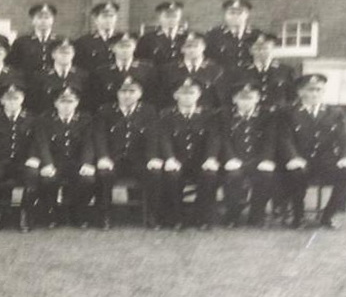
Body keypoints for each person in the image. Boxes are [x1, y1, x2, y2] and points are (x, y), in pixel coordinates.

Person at [278, 74, 346, 229]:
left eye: (319, 90)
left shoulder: (334, 112)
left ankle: (330, 214)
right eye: (310, 90)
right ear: (300, 92)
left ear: (323, 91)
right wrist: (293, 157)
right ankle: (298, 215)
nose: (315, 94)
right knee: (295, 174)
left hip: (325, 161)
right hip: (300, 160)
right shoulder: (288, 112)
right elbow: (285, 139)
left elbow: (345, 138)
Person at [93, 76, 162, 229]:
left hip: (139, 159)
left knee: (154, 173)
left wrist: (152, 158)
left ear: (140, 93)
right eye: (123, 91)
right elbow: (100, 136)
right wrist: (103, 157)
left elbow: (152, 136)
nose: (127, 95)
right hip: (113, 159)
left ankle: (151, 215)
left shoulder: (148, 111)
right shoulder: (106, 110)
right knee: (103, 174)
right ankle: (104, 216)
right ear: (117, 93)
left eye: (132, 91)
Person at [0, 83, 41, 233]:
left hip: (23, 162)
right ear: (1, 100)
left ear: (22, 99)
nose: (12, 102)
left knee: (32, 174)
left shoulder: (32, 118)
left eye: (16, 98)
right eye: (8, 99)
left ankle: (25, 213)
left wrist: (33, 157)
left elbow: (37, 141)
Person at [157, 78, 221, 230]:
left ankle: (202, 217)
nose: (187, 97)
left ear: (199, 95)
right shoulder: (167, 116)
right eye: (183, 93)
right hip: (177, 160)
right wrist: (169, 158)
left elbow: (214, 139)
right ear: (175, 96)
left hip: (200, 161)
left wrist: (211, 158)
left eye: (192, 93)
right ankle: (176, 217)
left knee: (210, 175)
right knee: (172, 176)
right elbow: (164, 139)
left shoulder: (208, 115)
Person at [35, 86, 97, 228]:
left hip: (77, 162)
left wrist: (86, 163)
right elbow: (42, 144)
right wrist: (47, 164)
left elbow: (88, 143)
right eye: (62, 102)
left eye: (70, 101)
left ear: (77, 103)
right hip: (55, 162)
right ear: (55, 103)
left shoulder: (86, 119)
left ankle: (78, 212)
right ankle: (51, 213)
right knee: (47, 179)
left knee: (88, 179)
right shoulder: (45, 120)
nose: (66, 105)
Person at [219, 82, 277, 228]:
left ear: (257, 99)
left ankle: (257, 214)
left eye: (250, 98)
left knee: (266, 175)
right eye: (242, 98)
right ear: (234, 99)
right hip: (234, 159)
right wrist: (230, 158)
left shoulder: (266, 116)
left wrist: (266, 159)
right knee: (233, 176)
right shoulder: (225, 116)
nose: (246, 102)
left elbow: (270, 139)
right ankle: (232, 215)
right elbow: (224, 140)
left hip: (257, 159)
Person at [158, 32, 226, 109]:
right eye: (188, 46)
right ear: (182, 49)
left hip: (208, 114)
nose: (192, 50)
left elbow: (220, 99)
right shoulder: (169, 70)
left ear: (204, 47)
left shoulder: (215, 70)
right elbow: (165, 99)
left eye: (196, 46)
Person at [91, 32, 157, 109]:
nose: (125, 50)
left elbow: (152, 96)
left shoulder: (146, 69)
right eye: (121, 46)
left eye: (128, 46)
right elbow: (97, 98)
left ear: (135, 47)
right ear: (112, 48)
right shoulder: (102, 71)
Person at [26, 38, 89, 115]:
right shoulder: (40, 76)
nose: (65, 55)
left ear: (73, 54)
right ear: (53, 55)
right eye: (61, 52)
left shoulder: (83, 75)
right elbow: (33, 103)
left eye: (68, 52)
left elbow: (86, 103)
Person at [235, 33, 297, 110]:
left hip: (278, 115)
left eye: (265, 48)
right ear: (250, 51)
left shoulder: (286, 71)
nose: (261, 52)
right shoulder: (240, 73)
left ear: (272, 49)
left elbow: (292, 99)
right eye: (257, 48)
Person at [205, 0, 262, 73]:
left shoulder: (256, 35)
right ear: (225, 15)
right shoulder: (214, 35)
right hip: (222, 77)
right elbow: (207, 59)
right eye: (231, 13)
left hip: (249, 77)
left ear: (247, 14)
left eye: (240, 13)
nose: (235, 16)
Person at [8, 3, 62, 73]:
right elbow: (13, 66)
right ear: (33, 20)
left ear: (52, 20)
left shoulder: (60, 41)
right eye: (39, 17)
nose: (43, 21)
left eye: (47, 17)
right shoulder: (21, 42)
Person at [135, 1, 188, 67]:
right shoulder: (147, 39)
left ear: (180, 17)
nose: (171, 19)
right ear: (159, 17)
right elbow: (141, 62)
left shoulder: (188, 37)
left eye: (175, 16)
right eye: (167, 16)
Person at [73, 1, 121, 72]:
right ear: (95, 19)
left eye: (111, 16)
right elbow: (79, 68)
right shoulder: (84, 42)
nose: (108, 20)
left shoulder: (122, 39)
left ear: (116, 18)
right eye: (104, 16)